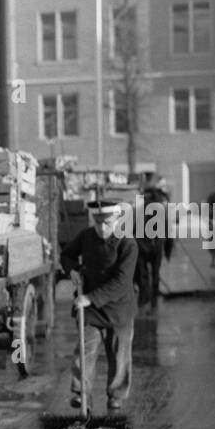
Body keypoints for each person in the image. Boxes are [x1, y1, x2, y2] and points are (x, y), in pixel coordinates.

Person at [61, 200, 138, 414]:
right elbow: (66, 254)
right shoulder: (86, 237)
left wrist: (89, 298)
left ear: (116, 221)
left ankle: (115, 397)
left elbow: (121, 283)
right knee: (84, 352)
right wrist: (73, 271)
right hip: (92, 311)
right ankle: (81, 395)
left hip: (119, 310)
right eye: (98, 224)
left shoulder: (128, 244)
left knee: (120, 356)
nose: (102, 228)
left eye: (107, 224)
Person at [135, 177, 168, 311]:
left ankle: (147, 298)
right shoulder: (155, 209)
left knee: (147, 275)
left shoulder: (143, 209)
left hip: (147, 247)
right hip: (151, 246)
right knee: (152, 274)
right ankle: (150, 298)